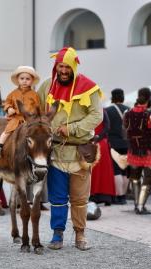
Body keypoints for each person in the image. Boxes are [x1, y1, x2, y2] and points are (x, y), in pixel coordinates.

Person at [41, 47, 103, 251]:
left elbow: (96, 116)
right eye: (61, 66)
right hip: (56, 151)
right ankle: (57, 233)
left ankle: (80, 233)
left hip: (81, 152)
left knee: (79, 198)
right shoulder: (47, 86)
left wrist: (72, 128)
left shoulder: (89, 87)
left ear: (74, 66)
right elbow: (37, 111)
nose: (64, 70)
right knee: (57, 198)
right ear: (56, 66)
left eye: (68, 66)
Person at [123, 87, 151, 214]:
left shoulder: (127, 113)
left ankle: (136, 205)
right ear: (149, 98)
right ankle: (140, 206)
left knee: (135, 179)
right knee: (148, 179)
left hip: (133, 151)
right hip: (149, 152)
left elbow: (125, 134)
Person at [0, 65, 41, 159]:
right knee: (7, 131)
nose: (24, 81)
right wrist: (9, 108)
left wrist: (35, 115)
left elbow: (38, 107)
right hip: (16, 118)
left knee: (38, 134)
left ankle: (39, 150)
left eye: (27, 79)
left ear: (32, 80)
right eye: (22, 78)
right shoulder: (13, 93)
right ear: (18, 80)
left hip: (30, 120)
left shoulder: (35, 95)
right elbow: (7, 102)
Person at [105, 88, 130, 205]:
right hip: (127, 144)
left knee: (116, 171)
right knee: (125, 170)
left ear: (112, 97)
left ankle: (118, 196)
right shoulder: (129, 110)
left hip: (113, 144)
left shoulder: (108, 110)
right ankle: (124, 196)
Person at [89, 109, 115, 206]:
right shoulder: (102, 110)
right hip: (100, 142)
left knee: (94, 170)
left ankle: (93, 195)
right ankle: (106, 196)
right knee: (104, 170)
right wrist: (99, 136)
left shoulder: (86, 110)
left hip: (91, 143)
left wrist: (94, 138)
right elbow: (107, 126)